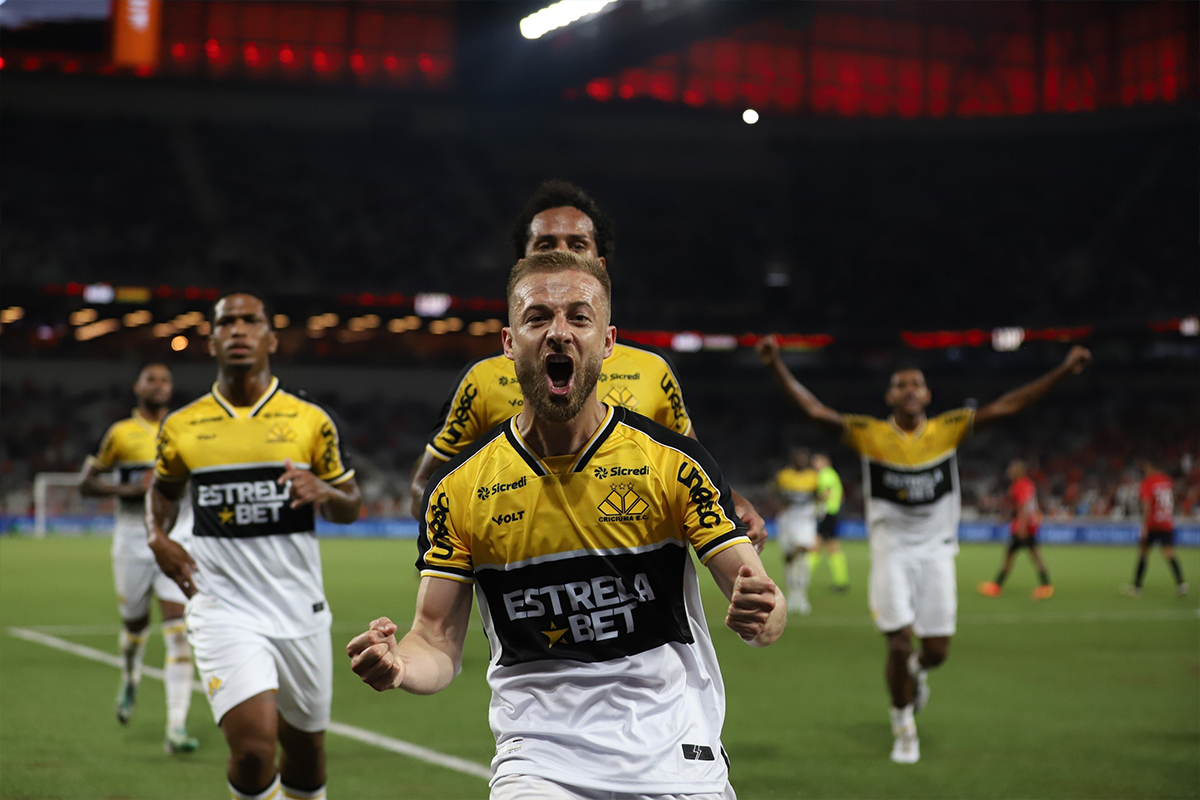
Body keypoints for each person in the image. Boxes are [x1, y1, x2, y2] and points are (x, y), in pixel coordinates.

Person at [351, 251, 784, 799]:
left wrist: (761, 615)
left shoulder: (674, 463)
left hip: (677, 758)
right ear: (509, 343)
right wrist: (399, 665)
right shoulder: (457, 489)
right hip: (539, 765)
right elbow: (436, 639)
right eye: (537, 318)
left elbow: (765, 605)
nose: (559, 333)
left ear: (608, 341)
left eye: (579, 317)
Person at [756, 337, 1091, 764]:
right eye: (901, 385)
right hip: (892, 551)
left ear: (928, 394)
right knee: (898, 642)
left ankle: (917, 672)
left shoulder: (948, 429)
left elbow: (1009, 406)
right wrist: (776, 365)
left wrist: (1062, 371)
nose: (910, 390)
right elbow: (815, 411)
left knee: (936, 652)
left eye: (916, 384)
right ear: (890, 396)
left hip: (936, 553)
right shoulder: (870, 434)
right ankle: (903, 726)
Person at [410, 180, 767, 550]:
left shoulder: (653, 370)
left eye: (577, 245)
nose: (562, 254)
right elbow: (427, 486)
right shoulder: (481, 380)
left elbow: (696, 470)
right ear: (522, 266)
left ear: (600, 266)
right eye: (546, 245)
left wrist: (735, 504)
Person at [147, 293, 361, 800]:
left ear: (271, 339)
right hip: (222, 608)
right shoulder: (181, 426)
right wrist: (156, 537)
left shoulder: (311, 420)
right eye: (227, 323)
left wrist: (323, 491)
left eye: (250, 322)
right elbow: (163, 492)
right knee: (252, 750)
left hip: (297, 608)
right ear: (211, 341)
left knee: (305, 750)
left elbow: (350, 504)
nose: (238, 330)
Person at [79, 362, 198, 753]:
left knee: (179, 634)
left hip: (175, 538)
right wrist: (128, 490)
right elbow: (86, 483)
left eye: (165, 379)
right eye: (152, 379)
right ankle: (130, 675)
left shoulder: (184, 428)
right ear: (138, 386)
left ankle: (176, 726)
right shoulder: (120, 433)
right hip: (132, 540)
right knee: (134, 627)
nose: (159, 385)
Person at [978, 460, 1054, 600]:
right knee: (1031, 556)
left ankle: (996, 586)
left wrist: (1021, 527)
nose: (1009, 472)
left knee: (1012, 556)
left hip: (1023, 527)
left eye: (1011, 469)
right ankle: (1046, 586)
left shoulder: (1020, 485)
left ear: (1018, 471)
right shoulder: (1027, 484)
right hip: (1028, 525)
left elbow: (1023, 506)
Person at [1122, 459, 1188, 597]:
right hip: (1166, 522)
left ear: (1151, 467)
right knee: (1169, 553)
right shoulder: (1167, 481)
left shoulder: (1148, 482)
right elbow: (1173, 500)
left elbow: (1146, 504)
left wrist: (1145, 526)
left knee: (1143, 553)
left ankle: (1137, 587)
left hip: (1152, 523)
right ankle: (1181, 584)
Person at [769, 447, 819, 614]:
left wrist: (819, 504)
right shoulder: (784, 475)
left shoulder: (812, 476)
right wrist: (780, 504)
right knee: (788, 558)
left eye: (804, 458)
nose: (801, 461)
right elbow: (773, 491)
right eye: (799, 458)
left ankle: (802, 595)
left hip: (805, 520)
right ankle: (792, 595)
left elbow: (817, 494)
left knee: (803, 552)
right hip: (787, 520)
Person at [809, 453, 849, 592]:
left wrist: (812, 502)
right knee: (832, 547)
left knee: (816, 545)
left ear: (826, 461)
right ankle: (841, 581)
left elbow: (825, 493)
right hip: (832, 513)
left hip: (826, 514)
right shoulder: (833, 475)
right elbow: (841, 496)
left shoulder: (824, 475)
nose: (815, 464)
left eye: (817, 461)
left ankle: (802, 578)